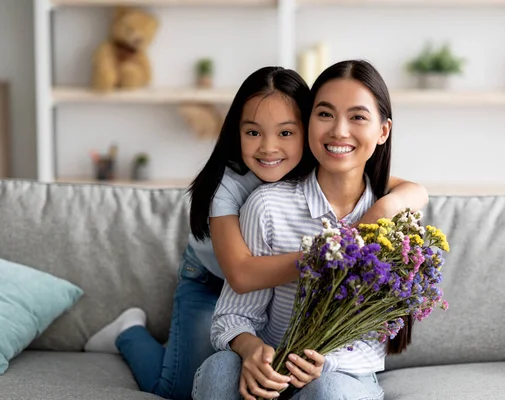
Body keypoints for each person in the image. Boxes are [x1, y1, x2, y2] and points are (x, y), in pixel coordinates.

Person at [85, 64, 426, 400]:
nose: (268, 148)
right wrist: (331, 254)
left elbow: (392, 184)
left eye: (284, 133)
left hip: (295, 325)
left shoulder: (385, 209)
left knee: (330, 388)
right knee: (177, 387)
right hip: (210, 276)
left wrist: (383, 210)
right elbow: (242, 276)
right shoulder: (237, 190)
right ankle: (129, 331)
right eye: (325, 114)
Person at [192, 60, 412, 400]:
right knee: (220, 372)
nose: (339, 130)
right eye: (325, 114)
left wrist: (327, 363)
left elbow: (374, 340)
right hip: (269, 364)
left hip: (341, 374)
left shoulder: (395, 217)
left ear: (383, 131)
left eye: (357, 117)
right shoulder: (265, 204)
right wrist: (251, 348)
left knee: (329, 390)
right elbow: (236, 308)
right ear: (308, 124)